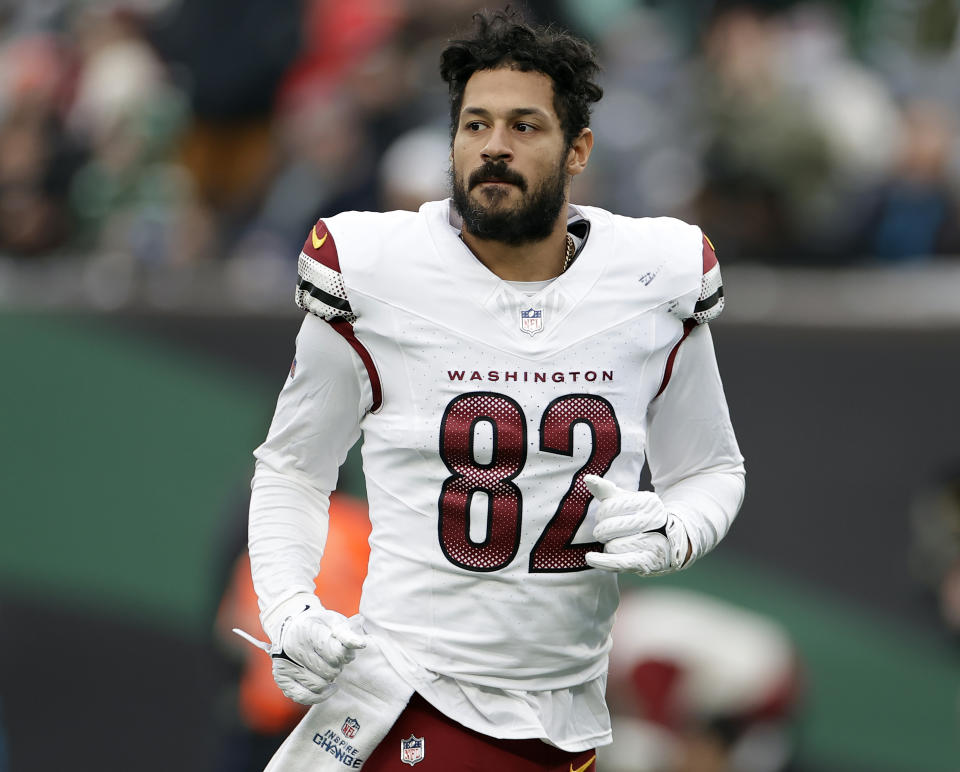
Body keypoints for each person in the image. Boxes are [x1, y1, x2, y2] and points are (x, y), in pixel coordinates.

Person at [241, 10, 745, 771]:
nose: (495, 147)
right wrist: (288, 607)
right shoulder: (378, 270)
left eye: (524, 125)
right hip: (420, 693)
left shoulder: (652, 278)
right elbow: (292, 468)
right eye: (475, 124)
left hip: (567, 713)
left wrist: (677, 530)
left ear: (578, 149)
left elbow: (712, 470)